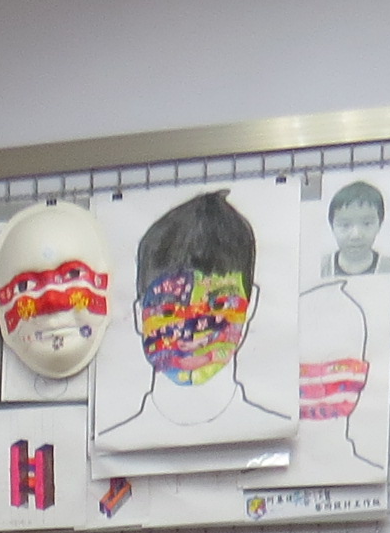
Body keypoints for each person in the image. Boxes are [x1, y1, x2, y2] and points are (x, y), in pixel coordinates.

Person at [100, 188, 289, 447]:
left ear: (251, 304)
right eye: (168, 310)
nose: (192, 331)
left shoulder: (272, 434)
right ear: (137, 314)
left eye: (219, 304)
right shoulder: (117, 441)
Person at [322, 178, 388, 276]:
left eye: (367, 224)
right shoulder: (322, 267)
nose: (356, 235)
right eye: (345, 225)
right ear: (332, 226)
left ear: (380, 224)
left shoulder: (389, 268)